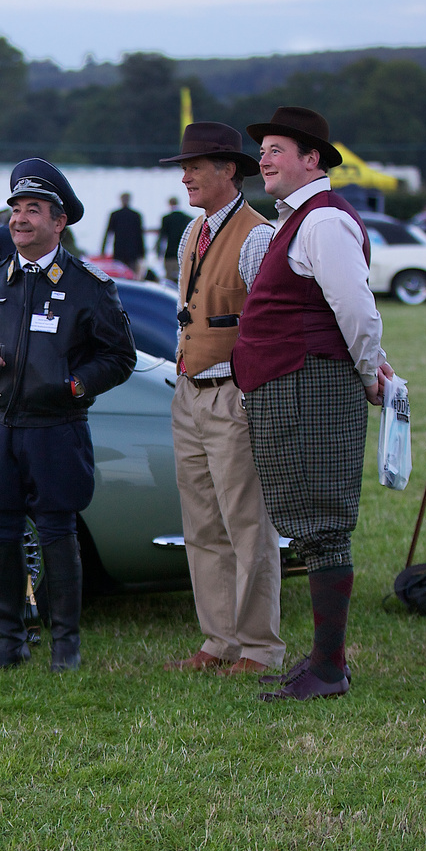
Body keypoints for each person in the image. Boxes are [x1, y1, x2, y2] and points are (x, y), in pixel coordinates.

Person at [0, 159, 138, 672]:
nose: (20, 219)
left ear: (59, 222)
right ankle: (9, 642)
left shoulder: (89, 286)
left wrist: (75, 384)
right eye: (15, 209)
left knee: (56, 531)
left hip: (56, 429)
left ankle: (64, 646)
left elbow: (119, 358)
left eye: (33, 210)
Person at [234, 106, 397, 702]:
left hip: (312, 383)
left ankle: (328, 670)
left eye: (276, 150)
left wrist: (369, 369)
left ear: (312, 160)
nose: (264, 160)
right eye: (264, 150)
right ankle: (323, 662)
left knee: (322, 524)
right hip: (293, 383)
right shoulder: (298, 220)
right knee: (310, 525)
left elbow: (355, 309)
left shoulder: (323, 222)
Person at [159, 123, 284, 677]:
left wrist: (245, 391)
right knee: (202, 525)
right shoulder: (193, 233)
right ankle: (219, 641)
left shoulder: (258, 236)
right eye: (184, 166)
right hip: (189, 392)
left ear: (227, 170)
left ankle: (260, 648)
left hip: (232, 396)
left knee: (246, 524)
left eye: (195, 165)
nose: (185, 175)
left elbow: (268, 327)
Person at [101, 192, 145, 274]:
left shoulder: (115, 215)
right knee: (132, 275)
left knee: (120, 275)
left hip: (119, 250)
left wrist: (103, 250)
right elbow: (140, 236)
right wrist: (142, 252)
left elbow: (108, 234)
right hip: (132, 251)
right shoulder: (136, 215)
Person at [157, 197, 190, 282]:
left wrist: (159, 252)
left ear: (169, 204)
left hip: (170, 253)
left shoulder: (166, 218)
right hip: (184, 253)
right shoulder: (186, 218)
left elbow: (162, 237)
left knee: (169, 279)